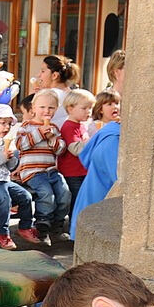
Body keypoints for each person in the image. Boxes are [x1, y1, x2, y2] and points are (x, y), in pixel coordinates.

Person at [0, 104, 41, 250]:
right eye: (2, 123)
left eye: (9, 124)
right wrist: (2, 157)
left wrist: (11, 158)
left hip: (4, 180)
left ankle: (25, 227)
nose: (6, 127)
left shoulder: (4, 142)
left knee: (26, 197)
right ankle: (2, 234)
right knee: (4, 200)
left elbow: (10, 167)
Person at [14, 89, 69, 243]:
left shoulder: (55, 129)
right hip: (33, 172)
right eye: (42, 107)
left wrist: (52, 138)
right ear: (34, 108)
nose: (46, 111)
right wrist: (38, 133)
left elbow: (60, 149)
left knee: (65, 194)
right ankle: (42, 224)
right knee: (46, 194)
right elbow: (20, 145)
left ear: (56, 110)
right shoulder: (26, 126)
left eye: (51, 108)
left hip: (51, 170)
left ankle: (56, 224)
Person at [69, 108, 121, 237]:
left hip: (91, 209)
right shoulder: (113, 140)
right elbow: (118, 179)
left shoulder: (109, 133)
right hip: (98, 212)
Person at [58, 88, 95, 219]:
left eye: (90, 108)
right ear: (70, 108)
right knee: (76, 201)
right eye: (84, 108)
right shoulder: (69, 127)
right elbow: (76, 149)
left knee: (82, 199)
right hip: (72, 173)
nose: (88, 111)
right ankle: (73, 227)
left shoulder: (81, 125)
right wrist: (93, 139)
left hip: (82, 171)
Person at [33, 54, 80, 127]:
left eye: (43, 71)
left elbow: (32, 118)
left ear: (54, 75)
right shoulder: (71, 94)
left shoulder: (50, 95)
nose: (39, 75)